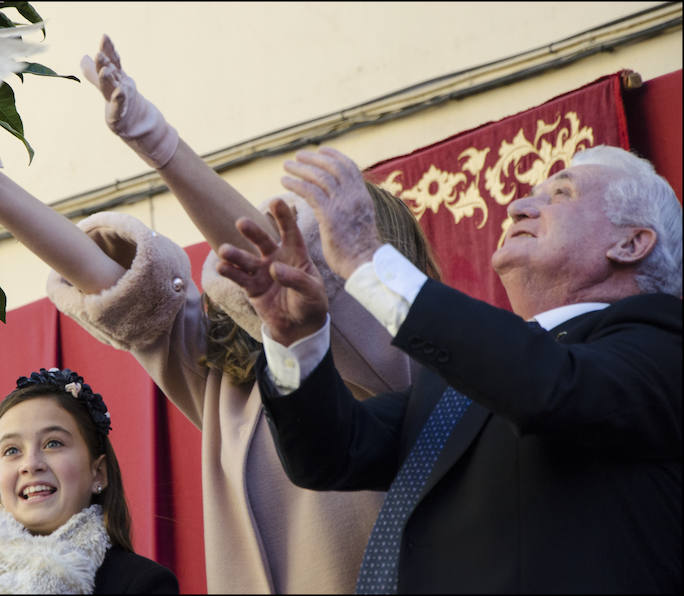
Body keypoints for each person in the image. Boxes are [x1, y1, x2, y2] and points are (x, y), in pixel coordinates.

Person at [0, 35, 440, 593]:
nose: (289, 256)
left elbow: (291, 281)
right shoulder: (228, 384)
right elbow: (117, 285)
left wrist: (158, 142)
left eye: (315, 244)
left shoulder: (409, 364)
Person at [215, 145, 682, 593]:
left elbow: (549, 386)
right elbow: (331, 456)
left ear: (631, 243)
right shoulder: (463, 380)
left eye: (560, 194)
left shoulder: (662, 343)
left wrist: (368, 262)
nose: (519, 205)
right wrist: (296, 336)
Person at [0, 367, 178, 594]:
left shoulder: (145, 585)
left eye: (53, 443)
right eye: (12, 450)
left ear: (98, 472)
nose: (31, 464)